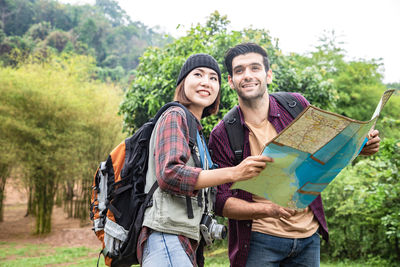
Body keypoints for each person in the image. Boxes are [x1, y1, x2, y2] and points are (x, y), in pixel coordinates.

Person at [208, 43, 381, 267]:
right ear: (230, 82)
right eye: (239, 70)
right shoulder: (223, 133)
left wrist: (360, 146)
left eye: (255, 68)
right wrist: (267, 210)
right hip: (259, 240)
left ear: (268, 75)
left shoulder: (295, 106)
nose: (247, 75)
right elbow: (219, 201)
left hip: (308, 237)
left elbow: (327, 153)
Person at [137, 53, 273, 267]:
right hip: (167, 235)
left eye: (213, 78)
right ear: (183, 83)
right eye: (198, 74)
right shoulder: (175, 115)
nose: (205, 82)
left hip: (184, 239)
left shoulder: (196, 131)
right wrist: (235, 172)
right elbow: (170, 174)